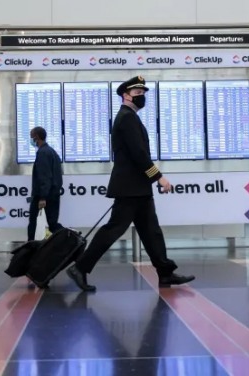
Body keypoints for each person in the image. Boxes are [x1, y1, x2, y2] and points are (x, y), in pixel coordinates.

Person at [67, 76, 196, 292]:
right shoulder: (126, 118)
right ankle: (80, 267)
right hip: (130, 187)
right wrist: (159, 177)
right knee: (114, 229)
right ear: (125, 95)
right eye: (137, 93)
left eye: (143, 93)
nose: (141, 96)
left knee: (151, 231)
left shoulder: (130, 117)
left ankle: (165, 273)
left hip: (137, 187)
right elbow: (139, 154)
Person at [27, 126, 64, 241]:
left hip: (43, 195)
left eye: (31, 137)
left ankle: (30, 245)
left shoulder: (43, 153)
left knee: (33, 221)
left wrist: (42, 197)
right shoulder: (52, 152)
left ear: (36, 137)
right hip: (53, 193)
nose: (31, 139)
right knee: (53, 223)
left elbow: (44, 176)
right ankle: (67, 239)